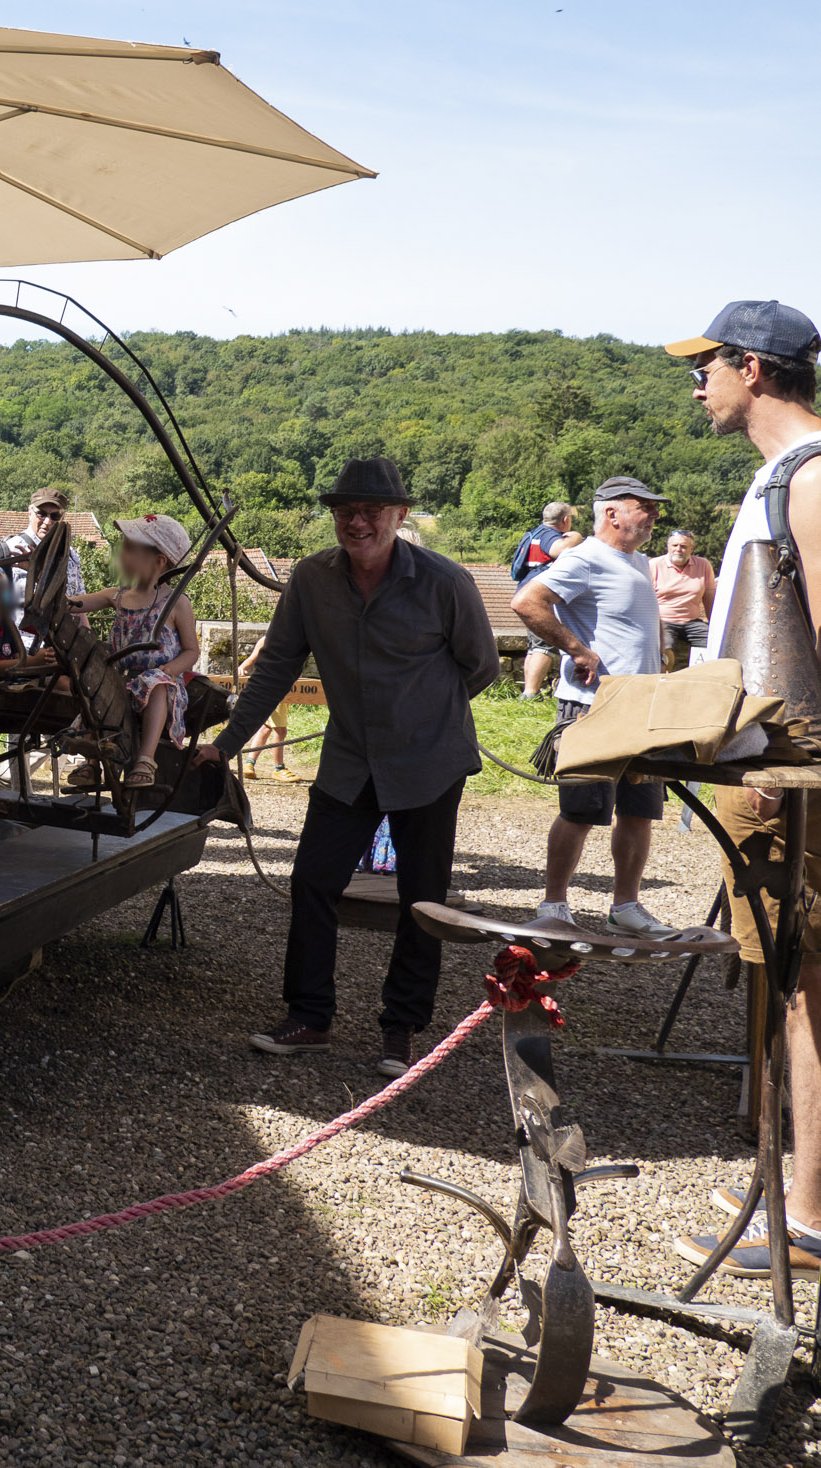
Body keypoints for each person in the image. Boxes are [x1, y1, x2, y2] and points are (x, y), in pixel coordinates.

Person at [196, 458, 500, 1078]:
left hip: (429, 763)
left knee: (423, 900)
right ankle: (309, 1017)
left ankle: (401, 1028)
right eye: (345, 512)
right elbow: (275, 669)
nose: (357, 523)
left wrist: (421, 714)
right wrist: (225, 746)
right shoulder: (312, 579)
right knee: (312, 881)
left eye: (371, 512)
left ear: (400, 516)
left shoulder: (445, 582)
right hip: (349, 761)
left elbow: (483, 666)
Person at [658, 303, 821, 1280]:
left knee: (809, 989)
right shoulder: (782, 473)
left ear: (751, 368)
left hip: (801, 782)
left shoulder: (809, 473)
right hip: (767, 778)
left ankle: (807, 1219)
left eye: (706, 364)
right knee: (785, 985)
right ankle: (792, 1176)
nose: (696, 382)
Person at [512, 477, 674, 936]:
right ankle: (555, 906)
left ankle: (625, 907)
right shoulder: (584, 557)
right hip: (591, 705)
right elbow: (527, 601)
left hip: (642, 706)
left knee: (641, 810)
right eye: (645, 507)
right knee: (581, 808)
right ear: (612, 514)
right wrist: (576, 649)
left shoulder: (640, 561)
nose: (655, 515)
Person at [67, 514, 199, 790]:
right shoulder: (118, 595)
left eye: (128, 548)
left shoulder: (176, 603)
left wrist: (171, 670)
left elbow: (191, 651)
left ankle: (146, 759)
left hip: (159, 680)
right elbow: (74, 604)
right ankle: (93, 762)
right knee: (96, 691)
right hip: (122, 677)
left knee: (156, 685)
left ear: (159, 561)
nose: (120, 554)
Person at [0, 488, 84, 638]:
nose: (47, 521)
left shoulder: (71, 557)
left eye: (55, 516)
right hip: (19, 650)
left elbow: (79, 607)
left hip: (61, 650)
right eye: (42, 514)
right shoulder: (7, 553)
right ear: (29, 512)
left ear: (62, 518)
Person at [512, 502, 576, 697]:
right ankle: (530, 693)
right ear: (565, 520)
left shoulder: (534, 534)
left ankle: (529, 690)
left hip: (525, 592)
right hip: (540, 597)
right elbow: (559, 550)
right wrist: (576, 538)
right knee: (545, 645)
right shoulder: (550, 537)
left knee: (534, 646)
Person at [650, 527, 717, 671]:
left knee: (714, 644)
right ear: (668, 547)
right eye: (675, 545)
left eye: (683, 546)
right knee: (666, 649)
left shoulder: (703, 565)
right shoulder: (654, 565)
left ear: (691, 549)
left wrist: (715, 625)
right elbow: (646, 599)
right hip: (664, 621)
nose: (678, 549)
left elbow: (709, 597)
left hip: (692, 622)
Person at [235, 635, 297, 782]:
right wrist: (242, 672)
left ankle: (249, 764)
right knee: (280, 730)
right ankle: (278, 768)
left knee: (266, 727)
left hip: (285, 688)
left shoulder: (296, 640)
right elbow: (248, 662)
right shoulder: (269, 639)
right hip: (273, 688)